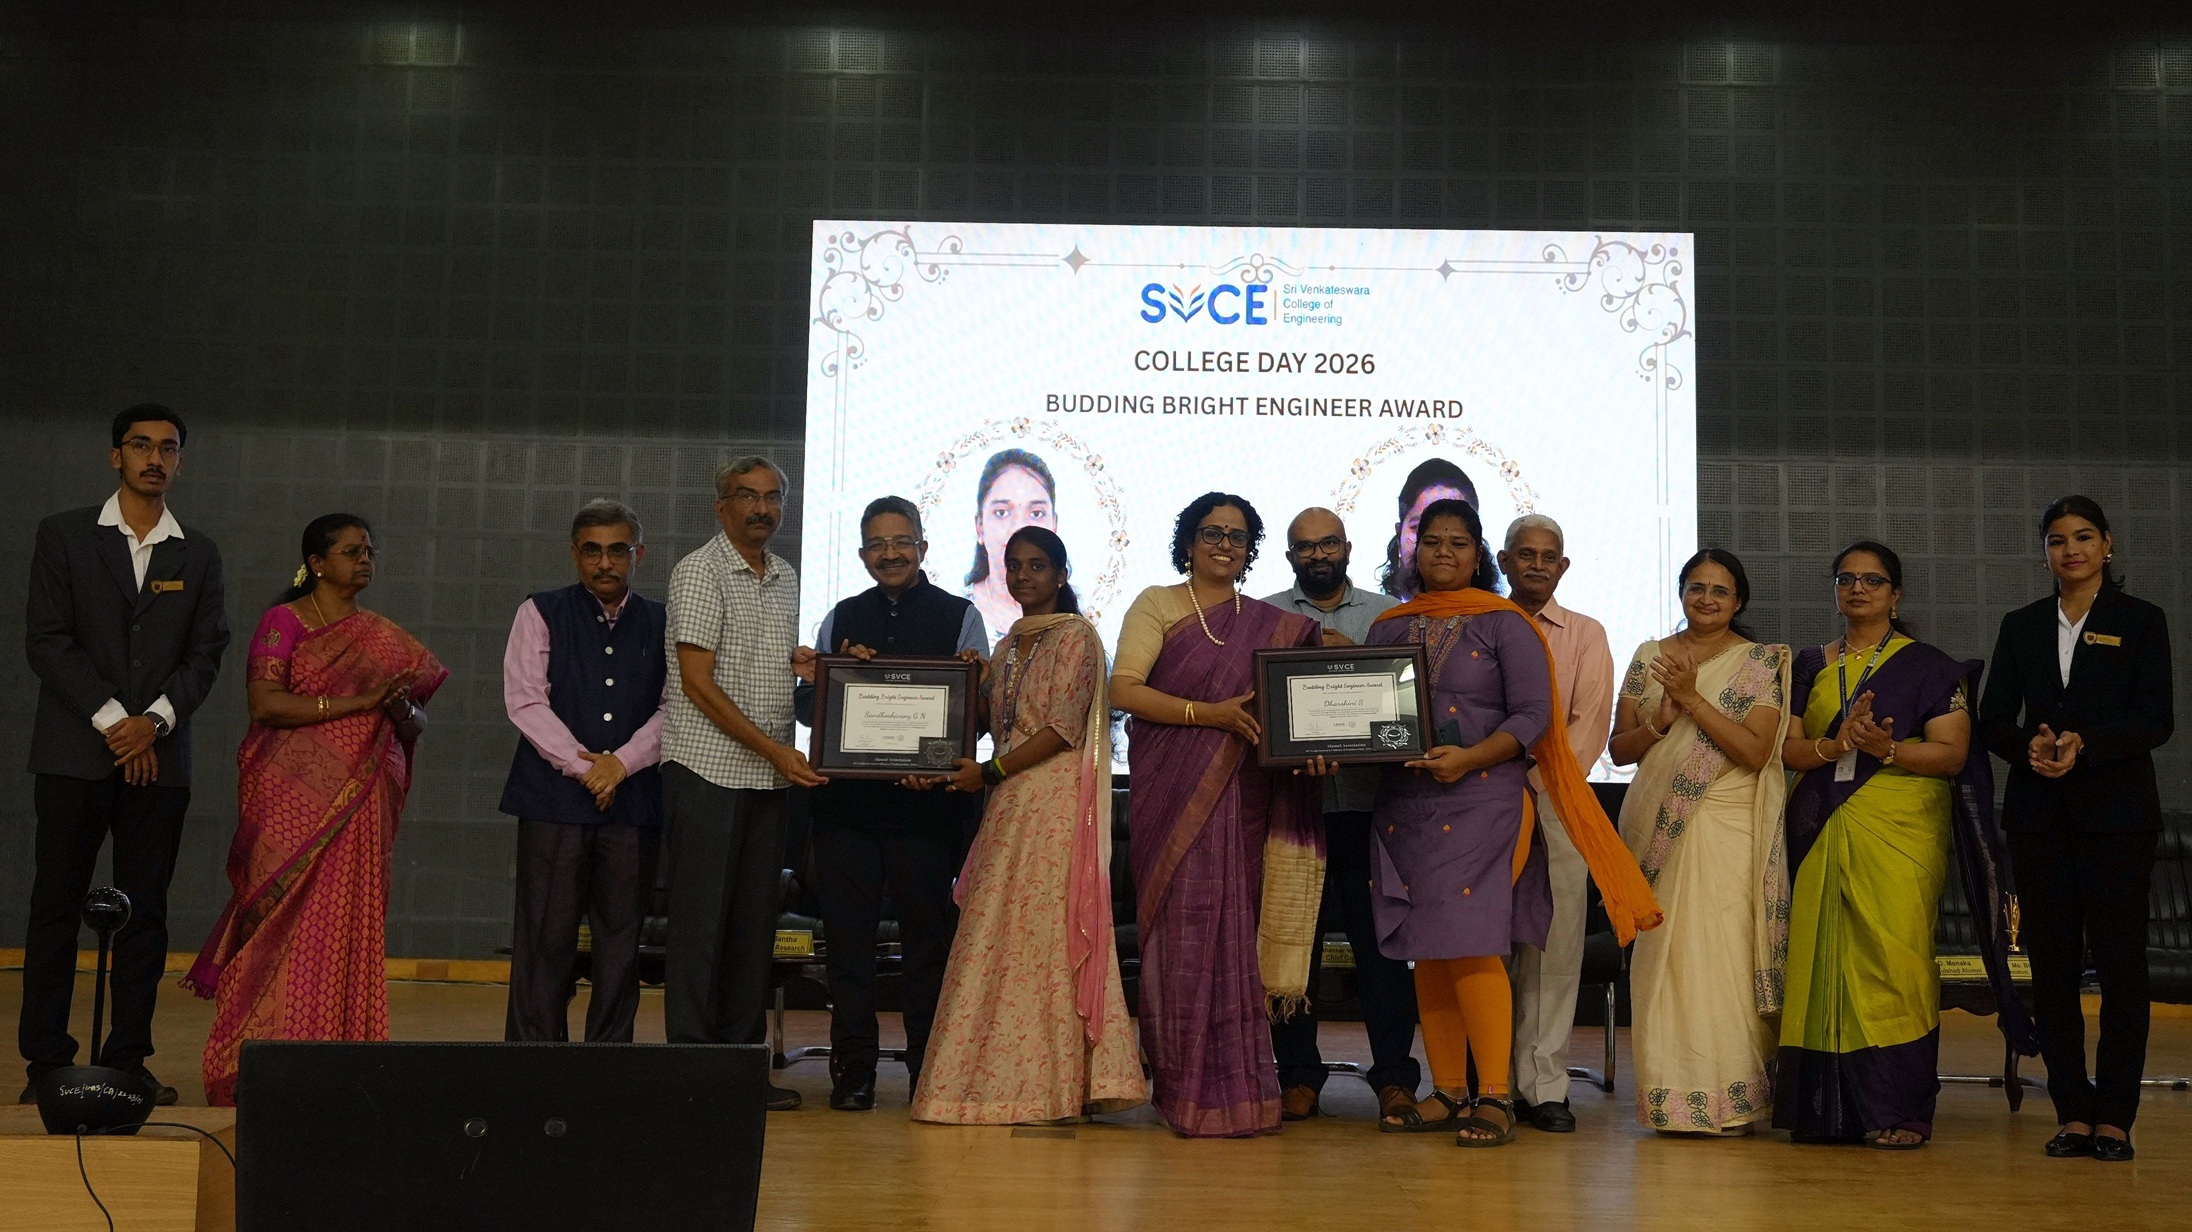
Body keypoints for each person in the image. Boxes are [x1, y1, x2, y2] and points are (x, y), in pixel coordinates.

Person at [1367, 500, 1658, 1147]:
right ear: (1413, 551)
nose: (1444, 553)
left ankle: (1495, 1096)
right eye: (1432, 542)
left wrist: (1471, 758)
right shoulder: (1390, 627)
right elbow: (1367, 715)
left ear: (1478, 555)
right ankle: (1449, 1090)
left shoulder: (1506, 625)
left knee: (1471, 941)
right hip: (1407, 804)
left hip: (1486, 799)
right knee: (1428, 950)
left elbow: (1532, 716)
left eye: (1458, 542)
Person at [1775, 541, 2035, 1149]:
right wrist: (1838, 744)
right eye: (1846, 579)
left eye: (1873, 580)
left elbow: (1952, 754)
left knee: (1895, 964)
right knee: (1819, 959)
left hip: (1899, 831)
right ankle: (1825, 1111)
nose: (1857, 589)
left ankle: (1899, 1107)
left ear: (1895, 595)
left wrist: (1885, 749)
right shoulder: (1809, 664)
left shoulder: (1931, 668)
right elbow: (1788, 750)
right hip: (1820, 828)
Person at [188, 514, 446, 1106]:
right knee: (278, 920)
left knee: (345, 924)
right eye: (351, 551)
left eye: (369, 551)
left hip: (361, 802)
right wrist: (360, 702)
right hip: (288, 802)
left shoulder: (383, 638)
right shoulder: (284, 622)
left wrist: (399, 710)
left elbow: (415, 721)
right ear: (317, 563)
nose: (364, 560)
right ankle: (255, 1061)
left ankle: (343, 1062)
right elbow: (266, 703)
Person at [21, 405, 230, 1106]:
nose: (154, 458)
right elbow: (48, 640)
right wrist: (120, 724)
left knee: (145, 912)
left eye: (168, 449)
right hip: (74, 753)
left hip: (159, 760)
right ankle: (46, 1062)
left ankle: (128, 1059)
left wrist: (154, 723)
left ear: (180, 462)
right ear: (116, 456)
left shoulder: (197, 552)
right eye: (141, 446)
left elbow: (207, 653)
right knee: (56, 907)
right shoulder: (65, 535)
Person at [908, 526, 1147, 1124]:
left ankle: (1053, 1086)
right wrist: (973, 682)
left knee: (1045, 936)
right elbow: (996, 723)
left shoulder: (1077, 636)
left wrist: (989, 772)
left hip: (1054, 800)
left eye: (1037, 565)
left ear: (1061, 574)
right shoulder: (1009, 641)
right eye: (1013, 565)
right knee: (1000, 933)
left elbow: (1060, 728)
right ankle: (996, 1079)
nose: (1022, 576)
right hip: (1010, 801)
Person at [1108, 492, 1325, 1137]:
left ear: (1250, 548)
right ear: (1189, 540)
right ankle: (1182, 1092)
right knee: (1182, 937)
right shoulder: (1157, 603)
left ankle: (1237, 1093)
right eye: (1212, 533)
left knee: (1236, 935)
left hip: (1244, 797)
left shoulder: (1271, 624)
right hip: (1173, 796)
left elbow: (1293, 710)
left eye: (1237, 535)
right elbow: (1124, 690)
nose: (1225, 545)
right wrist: (1212, 715)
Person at [1980, 495, 2174, 1163]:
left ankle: (2115, 1117)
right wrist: (2029, 747)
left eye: (2084, 537)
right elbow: (1993, 718)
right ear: (2045, 554)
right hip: (2039, 818)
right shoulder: (2022, 625)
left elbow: (2156, 719)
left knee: (2121, 969)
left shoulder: (2141, 620)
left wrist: (2085, 744)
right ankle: (2072, 1113)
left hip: (2118, 818)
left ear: (2107, 545)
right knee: (2053, 970)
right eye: (2058, 540)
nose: (2072, 550)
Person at [791, 496, 985, 1112]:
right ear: (862, 554)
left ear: (923, 547)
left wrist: (942, 755)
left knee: (927, 949)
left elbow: (978, 716)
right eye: (877, 544)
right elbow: (806, 710)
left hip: (927, 815)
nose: (891, 553)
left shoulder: (962, 616)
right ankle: (854, 1073)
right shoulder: (841, 618)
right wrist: (834, 677)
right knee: (848, 951)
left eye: (902, 541)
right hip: (846, 814)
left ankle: (929, 1070)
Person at [1608, 548, 1790, 1135]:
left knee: (1721, 957)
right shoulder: (1649, 656)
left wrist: (1691, 700)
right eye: (1696, 587)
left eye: (1720, 590)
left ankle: (1733, 1100)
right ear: (1682, 592)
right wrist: (1660, 721)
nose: (1706, 599)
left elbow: (1756, 751)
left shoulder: (1758, 663)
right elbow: (1620, 750)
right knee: (1663, 959)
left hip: (1726, 830)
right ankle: (1671, 1097)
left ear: (1738, 602)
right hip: (1657, 826)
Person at [662, 457, 821, 1113]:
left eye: (772, 497)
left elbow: (759, 666)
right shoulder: (699, 571)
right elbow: (698, 684)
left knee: (753, 931)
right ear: (720, 506)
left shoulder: (783, 576)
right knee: (701, 931)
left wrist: (805, 666)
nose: (762, 509)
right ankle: (694, 1079)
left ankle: (740, 1076)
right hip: (707, 772)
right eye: (747, 496)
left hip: (765, 780)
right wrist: (776, 751)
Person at [1258, 507, 1422, 1126]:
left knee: (1381, 951)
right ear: (1290, 556)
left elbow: (1407, 706)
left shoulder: (1388, 616)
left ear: (1348, 548)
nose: (1318, 554)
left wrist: (1356, 659)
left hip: (1372, 811)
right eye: (1305, 547)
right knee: (1291, 947)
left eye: (1328, 543)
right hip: (1293, 812)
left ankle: (1395, 1078)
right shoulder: (1265, 616)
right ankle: (1298, 1076)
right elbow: (1260, 703)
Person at [498, 499, 668, 1044]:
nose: (605, 563)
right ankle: (534, 1062)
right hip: (552, 802)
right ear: (574, 554)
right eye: (592, 551)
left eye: (618, 550)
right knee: (545, 940)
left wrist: (621, 764)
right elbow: (525, 701)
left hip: (634, 801)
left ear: (639, 554)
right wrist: (585, 767)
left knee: (621, 944)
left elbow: (675, 707)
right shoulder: (539, 611)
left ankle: (608, 1064)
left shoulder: (665, 620)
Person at [1496, 514, 1615, 1134]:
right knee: (1486, 944)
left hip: (1559, 804)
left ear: (1562, 566)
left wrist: (1531, 784)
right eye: (1526, 554)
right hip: (1480, 804)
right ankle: (1489, 1083)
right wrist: (1494, 784)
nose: (1537, 565)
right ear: (1504, 561)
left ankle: (1543, 1086)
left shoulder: (1586, 634)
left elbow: (1590, 725)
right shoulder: (1481, 623)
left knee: (1555, 945)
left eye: (1549, 557)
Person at [962, 449, 1059, 640]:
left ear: (1054, 525)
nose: (1018, 528)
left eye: (1036, 513)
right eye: (1002, 513)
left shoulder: (1078, 620)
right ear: (980, 527)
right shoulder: (956, 614)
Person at [1377, 456, 1477, 599]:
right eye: (1418, 528)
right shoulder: (1381, 611)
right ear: (1399, 536)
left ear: (1478, 550)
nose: (1442, 549)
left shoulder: (1498, 612)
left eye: (1457, 534)